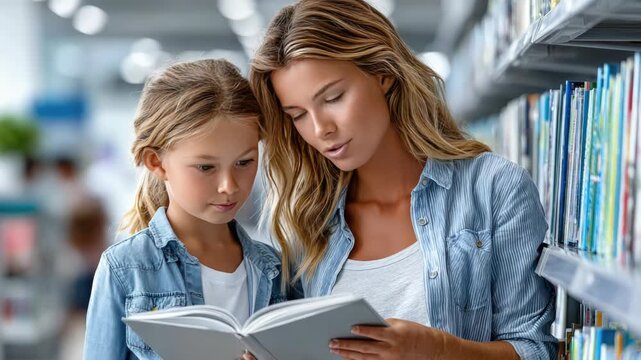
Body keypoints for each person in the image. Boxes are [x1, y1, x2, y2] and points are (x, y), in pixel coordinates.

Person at [248, 0, 557, 359]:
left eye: (333, 98)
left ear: (383, 73)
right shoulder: (305, 219)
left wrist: (440, 350)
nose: (321, 130)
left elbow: (535, 350)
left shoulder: (494, 188)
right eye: (298, 115)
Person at [84, 59, 288, 359]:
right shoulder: (126, 269)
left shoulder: (274, 269)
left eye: (244, 162)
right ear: (156, 162)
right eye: (206, 167)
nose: (229, 186)